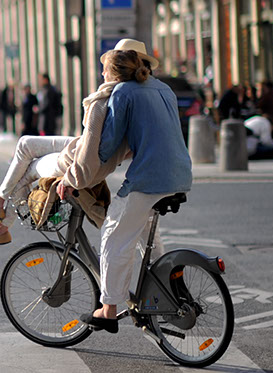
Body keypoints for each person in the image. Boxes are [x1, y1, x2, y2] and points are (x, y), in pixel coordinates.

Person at [0, 41, 163, 251]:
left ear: (118, 67)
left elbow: (96, 150)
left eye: (106, 68)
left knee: (29, 169)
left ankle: (1, 222)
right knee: (24, 144)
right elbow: (125, 143)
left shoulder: (111, 97)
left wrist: (71, 179)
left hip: (79, 158)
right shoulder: (140, 94)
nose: (102, 73)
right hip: (83, 148)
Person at [68, 39, 192, 333]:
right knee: (149, 236)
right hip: (180, 174)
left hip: (149, 178)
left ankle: (108, 309)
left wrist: (78, 167)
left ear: (117, 67)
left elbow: (107, 145)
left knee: (113, 236)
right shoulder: (164, 88)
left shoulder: (123, 92)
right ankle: (168, 293)